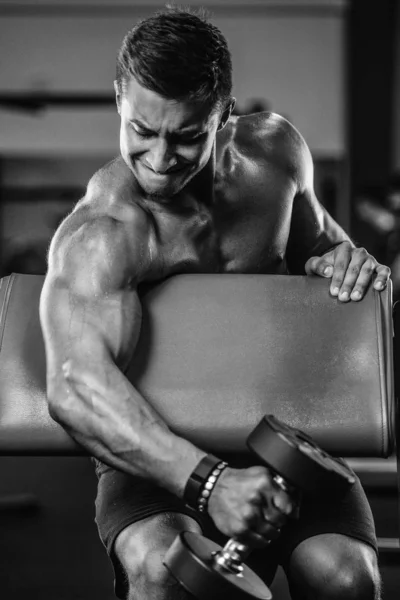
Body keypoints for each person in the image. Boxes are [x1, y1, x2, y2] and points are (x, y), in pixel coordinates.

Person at [39, 8, 389, 600]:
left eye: (185, 135)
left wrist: (342, 262)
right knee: (162, 571)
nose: (159, 158)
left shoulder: (277, 155)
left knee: (346, 578)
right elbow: (74, 384)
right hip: (153, 447)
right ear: (119, 102)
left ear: (223, 115)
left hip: (285, 433)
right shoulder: (109, 228)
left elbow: (326, 247)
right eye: (140, 131)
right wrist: (210, 482)